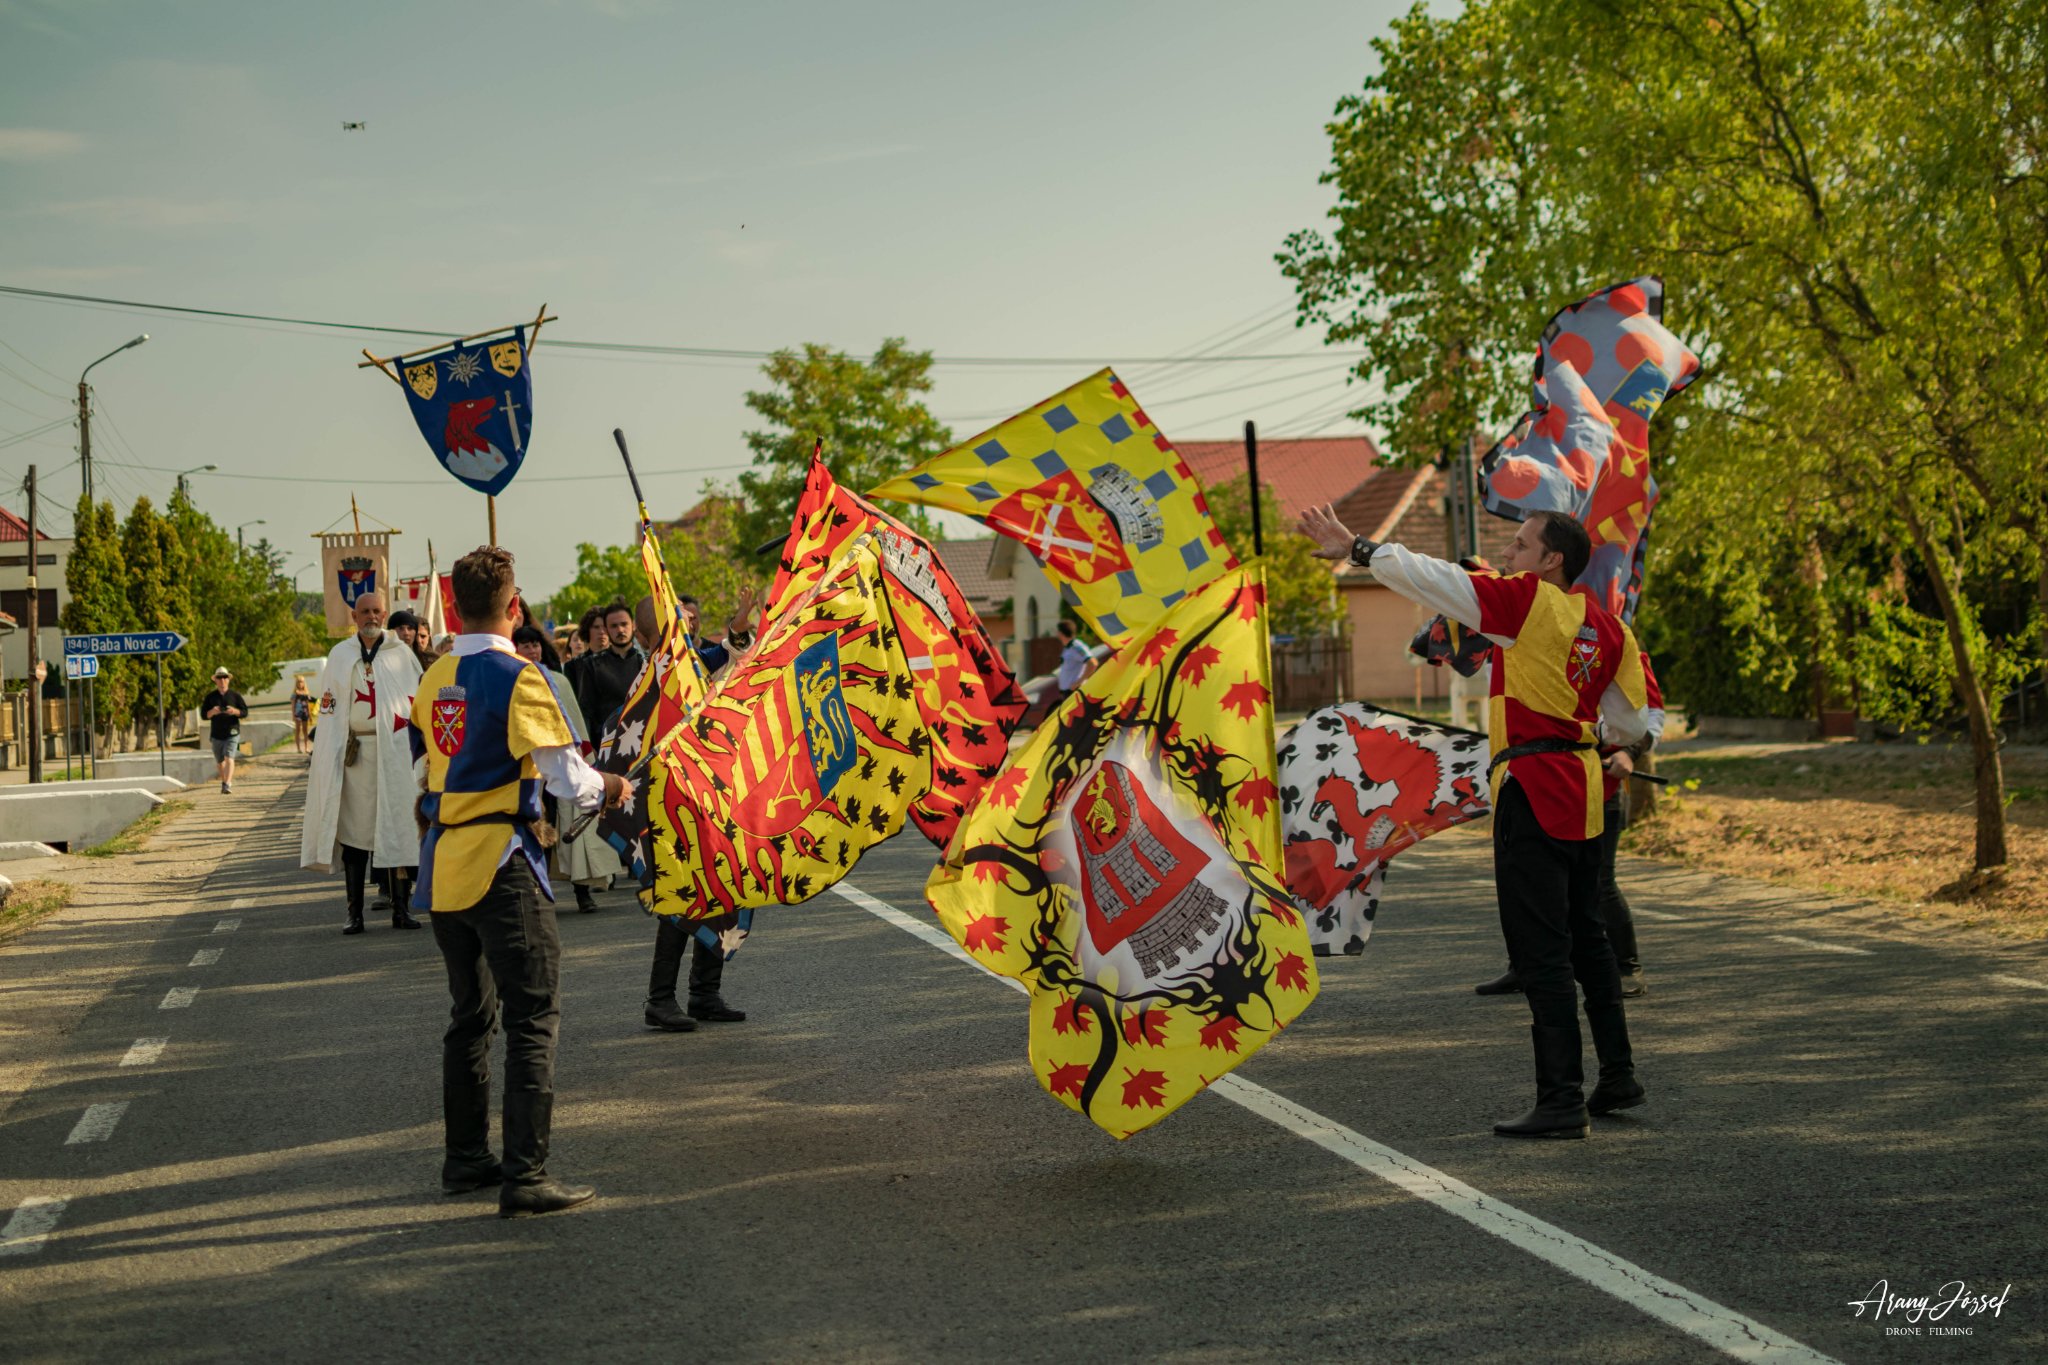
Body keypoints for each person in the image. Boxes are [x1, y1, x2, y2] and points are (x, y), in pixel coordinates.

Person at [1299, 502, 1650, 1139]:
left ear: (1552, 560)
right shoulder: (1611, 628)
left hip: (1532, 790)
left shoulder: (1526, 602)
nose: (1508, 555)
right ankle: (1618, 1074)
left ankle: (1561, 1100)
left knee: (1541, 949)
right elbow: (1630, 724)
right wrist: (1588, 731)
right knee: (1589, 938)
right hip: (1584, 788)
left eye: (1521, 545)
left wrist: (1358, 549)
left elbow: (1439, 580)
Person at [411, 545, 626, 1219]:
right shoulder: (521, 677)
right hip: (502, 863)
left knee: (470, 1017)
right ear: (515, 605)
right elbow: (565, 777)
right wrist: (611, 786)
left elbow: (422, 769)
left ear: (454, 607)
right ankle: (526, 1173)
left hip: (445, 864)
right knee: (533, 1016)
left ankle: (466, 1156)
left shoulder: (433, 677)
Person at [1475, 654, 1665, 1000]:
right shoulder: (1528, 646)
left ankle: (1627, 967)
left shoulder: (1618, 644)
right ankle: (1526, 966)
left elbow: (1652, 714)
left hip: (1598, 788)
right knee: (1530, 884)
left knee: (1599, 884)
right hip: (1537, 787)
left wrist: (1629, 753)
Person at [635, 592, 750, 1030]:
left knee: (720, 887)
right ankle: (660, 999)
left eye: (691, 620)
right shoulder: (654, 673)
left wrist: (738, 623)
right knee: (680, 896)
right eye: (681, 621)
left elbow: (728, 654)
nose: (690, 626)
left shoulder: (694, 663)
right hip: (670, 804)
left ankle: (705, 992)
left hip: (710, 798)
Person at [300, 591, 425, 935]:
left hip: (396, 754)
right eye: (364, 611)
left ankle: (401, 909)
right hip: (356, 756)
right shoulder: (340, 655)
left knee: (398, 829)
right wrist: (331, 750)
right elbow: (329, 708)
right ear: (354, 617)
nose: (371, 617)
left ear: (384, 615)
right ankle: (354, 913)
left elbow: (416, 704)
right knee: (355, 835)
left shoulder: (401, 655)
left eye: (376, 611)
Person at [573, 599, 643, 740]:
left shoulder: (646, 662)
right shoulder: (592, 665)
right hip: (606, 742)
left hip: (643, 739)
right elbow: (586, 711)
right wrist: (588, 745)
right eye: (614, 626)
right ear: (606, 629)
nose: (620, 630)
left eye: (624, 624)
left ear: (633, 625)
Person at [199, 667, 247, 794]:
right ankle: (224, 781)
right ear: (215, 680)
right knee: (220, 762)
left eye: (225, 677)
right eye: (219, 678)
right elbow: (203, 715)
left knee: (229, 757)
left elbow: (245, 712)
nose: (222, 680)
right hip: (216, 734)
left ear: (228, 679)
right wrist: (213, 711)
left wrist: (234, 711)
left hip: (232, 731)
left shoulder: (235, 696)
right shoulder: (210, 697)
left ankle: (227, 783)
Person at [1054, 620, 1095, 696]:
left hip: (1074, 692)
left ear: (1061, 633)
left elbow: (1093, 663)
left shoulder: (1076, 647)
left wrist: (1079, 682)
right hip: (1067, 692)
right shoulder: (1067, 648)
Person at [290, 675, 312, 755]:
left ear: (304, 683)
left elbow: (308, 704)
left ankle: (306, 747)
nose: (300, 684)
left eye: (302, 682)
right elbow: (293, 705)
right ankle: (298, 748)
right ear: (296, 683)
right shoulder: (294, 694)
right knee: (298, 730)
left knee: (305, 731)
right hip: (298, 713)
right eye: (299, 682)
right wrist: (293, 715)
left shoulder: (306, 693)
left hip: (305, 713)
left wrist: (310, 715)